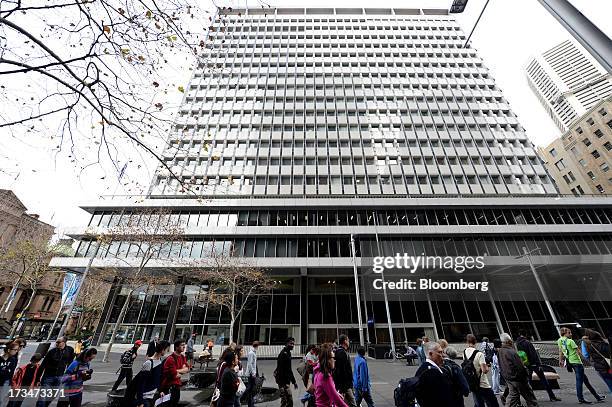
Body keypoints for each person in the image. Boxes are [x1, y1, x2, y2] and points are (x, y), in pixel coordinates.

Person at [558, 327, 605, 404]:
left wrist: (560, 361)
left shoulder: (559, 340)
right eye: (569, 333)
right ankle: (581, 399)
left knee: (585, 381)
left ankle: (597, 396)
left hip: (570, 362)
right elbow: (579, 352)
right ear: (564, 333)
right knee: (579, 381)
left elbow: (560, 351)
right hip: (577, 363)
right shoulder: (571, 341)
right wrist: (587, 360)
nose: (571, 334)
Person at [121, 339, 170, 407]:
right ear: (162, 350)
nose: (168, 351)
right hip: (144, 398)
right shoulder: (149, 363)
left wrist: (160, 391)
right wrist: (140, 401)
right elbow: (140, 384)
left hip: (152, 397)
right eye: (167, 349)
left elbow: (157, 379)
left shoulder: (159, 361)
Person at [516, 330, 561, 402]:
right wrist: (538, 364)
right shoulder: (527, 342)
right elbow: (533, 354)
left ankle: (532, 398)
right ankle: (552, 396)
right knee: (544, 380)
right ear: (526, 334)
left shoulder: (518, 343)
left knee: (529, 382)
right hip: (534, 364)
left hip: (526, 364)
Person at [497, 333, 538, 407]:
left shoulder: (500, 351)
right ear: (509, 341)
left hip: (508, 377)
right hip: (518, 378)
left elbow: (500, 364)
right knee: (529, 395)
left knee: (513, 395)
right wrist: (526, 374)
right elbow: (520, 367)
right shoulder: (512, 352)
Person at [36, 336, 75, 407]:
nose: (56, 343)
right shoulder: (51, 351)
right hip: (48, 376)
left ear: (64, 342)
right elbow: (43, 365)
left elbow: (70, 363)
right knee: (42, 397)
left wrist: (68, 375)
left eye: (58, 342)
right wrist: (38, 378)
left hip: (59, 377)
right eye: (56, 342)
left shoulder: (70, 350)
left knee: (53, 395)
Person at [464, 334, 499, 407]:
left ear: (467, 342)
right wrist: (487, 366)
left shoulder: (464, 352)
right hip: (482, 383)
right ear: (475, 341)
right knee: (493, 403)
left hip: (472, 382)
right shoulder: (479, 354)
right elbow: (484, 370)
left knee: (479, 403)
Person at [415, 342, 453, 407]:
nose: (443, 355)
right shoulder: (432, 372)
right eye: (440, 352)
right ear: (430, 354)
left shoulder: (423, 369)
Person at [582, 328, 612, 394]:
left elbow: (585, 355)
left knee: (609, 381)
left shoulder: (588, 344)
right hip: (609, 364)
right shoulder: (606, 342)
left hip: (600, 366)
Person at [161, 339, 189, 407]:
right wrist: (182, 371)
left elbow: (187, 369)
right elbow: (174, 376)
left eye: (184, 345)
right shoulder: (171, 358)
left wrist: (177, 370)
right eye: (182, 345)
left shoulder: (182, 357)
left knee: (175, 403)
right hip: (169, 387)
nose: (184, 347)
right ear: (176, 347)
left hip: (177, 386)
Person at [333, 334, 357, 407]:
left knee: (346, 403)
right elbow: (341, 371)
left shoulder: (341, 351)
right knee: (353, 403)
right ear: (345, 341)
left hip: (345, 385)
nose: (349, 341)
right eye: (348, 340)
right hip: (345, 386)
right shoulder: (341, 353)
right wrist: (342, 388)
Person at [275, 337, 298, 407]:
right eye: (291, 343)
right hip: (283, 382)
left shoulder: (288, 353)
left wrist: (293, 382)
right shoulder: (283, 354)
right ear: (286, 343)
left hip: (285, 381)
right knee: (288, 401)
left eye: (293, 344)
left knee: (285, 401)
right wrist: (293, 382)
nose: (292, 345)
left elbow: (287, 369)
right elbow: (284, 370)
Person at [1, 341, 19, 405]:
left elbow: (11, 372)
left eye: (17, 350)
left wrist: (10, 383)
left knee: (1, 400)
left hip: (6, 382)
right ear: (9, 350)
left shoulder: (13, 359)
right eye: (15, 350)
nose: (16, 351)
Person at [244, 341, 259, 407]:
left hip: (252, 373)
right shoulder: (251, 353)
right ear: (257, 346)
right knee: (250, 389)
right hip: (251, 374)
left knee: (251, 389)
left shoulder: (253, 352)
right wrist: (253, 373)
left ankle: (251, 403)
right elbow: (250, 364)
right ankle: (250, 403)